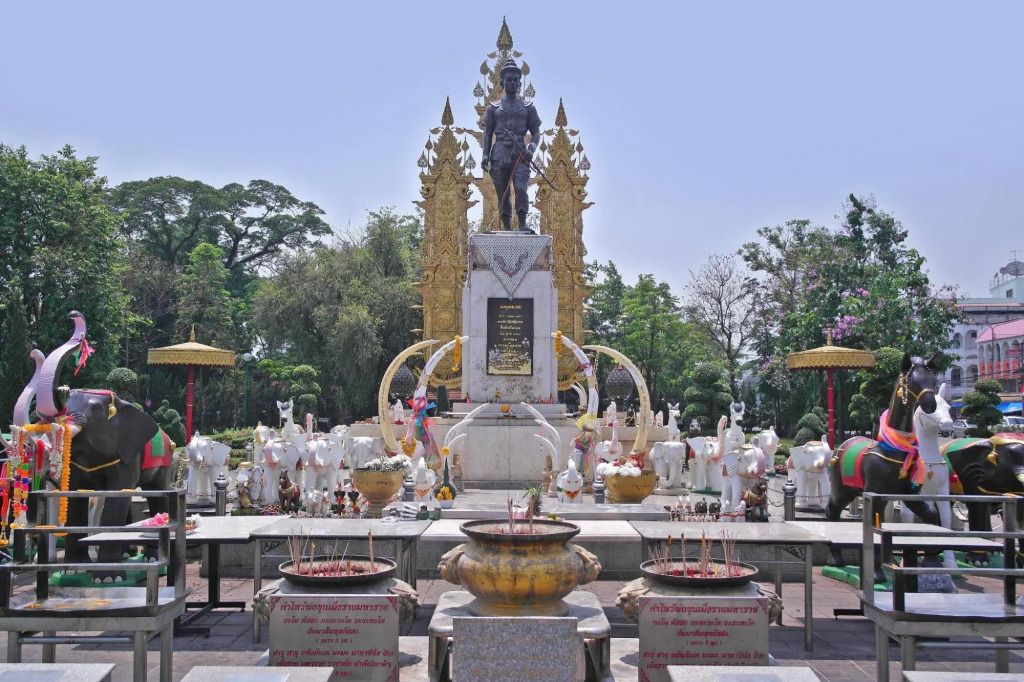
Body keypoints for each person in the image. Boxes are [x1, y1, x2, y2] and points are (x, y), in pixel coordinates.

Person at [482, 57, 541, 232]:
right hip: (499, 152)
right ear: (502, 82)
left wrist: (531, 148)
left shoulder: (528, 107)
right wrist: (485, 154)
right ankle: (507, 226)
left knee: (521, 188)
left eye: (516, 80)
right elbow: (488, 132)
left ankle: (522, 224)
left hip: (520, 153)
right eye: (509, 79)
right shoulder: (494, 108)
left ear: (520, 83)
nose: (512, 83)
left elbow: (536, 132)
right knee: (503, 193)